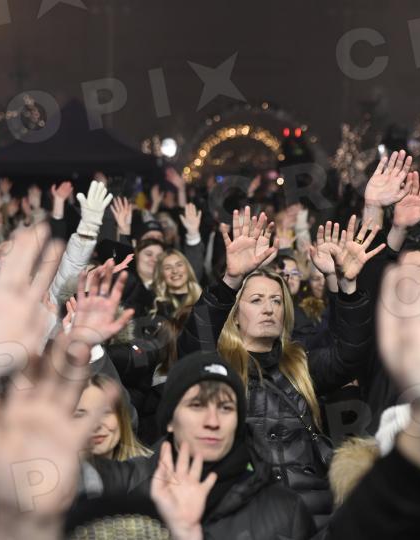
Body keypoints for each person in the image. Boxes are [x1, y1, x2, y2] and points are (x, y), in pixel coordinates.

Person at [179, 208, 382, 526]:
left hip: (316, 512)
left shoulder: (299, 362)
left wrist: (348, 286)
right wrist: (231, 281)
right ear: (235, 315)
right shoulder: (221, 367)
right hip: (252, 516)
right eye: (256, 300)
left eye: (276, 301)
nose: (269, 309)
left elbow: (349, 355)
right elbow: (193, 348)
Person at [77, 352, 316, 539]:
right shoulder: (128, 485)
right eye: (197, 405)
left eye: (225, 408)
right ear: (169, 420)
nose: (212, 421)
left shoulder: (287, 510)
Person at [76, 373, 151, 461]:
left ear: (122, 418)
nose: (96, 425)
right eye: (81, 415)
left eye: (105, 413)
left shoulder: (153, 466)